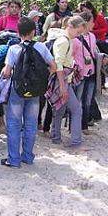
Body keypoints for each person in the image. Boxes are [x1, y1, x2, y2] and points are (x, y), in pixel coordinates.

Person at [0, 17, 56, 168]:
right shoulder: (41, 47)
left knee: (13, 124)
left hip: (18, 91)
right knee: (31, 124)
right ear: (33, 32)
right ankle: (28, 156)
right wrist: (43, 78)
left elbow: (7, 72)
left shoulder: (13, 49)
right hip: (36, 91)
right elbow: (53, 66)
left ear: (18, 33)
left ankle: (14, 159)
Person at [47, 16, 87, 146]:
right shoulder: (63, 41)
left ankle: (56, 136)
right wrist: (63, 87)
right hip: (62, 80)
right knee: (76, 109)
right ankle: (76, 141)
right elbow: (58, 65)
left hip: (63, 80)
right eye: (78, 32)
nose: (79, 35)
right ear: (70, 27)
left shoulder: (68, 39)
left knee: (60, 109)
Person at [77, 11, 99, 129]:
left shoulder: (92, 36)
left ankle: (85, 125)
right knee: (79, 99)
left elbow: (94, 52)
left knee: (88, 99)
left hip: (91, 71)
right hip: (80, 73)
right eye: (91, 21)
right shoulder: (76, 37)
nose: (93, 24)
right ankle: (76, 125)